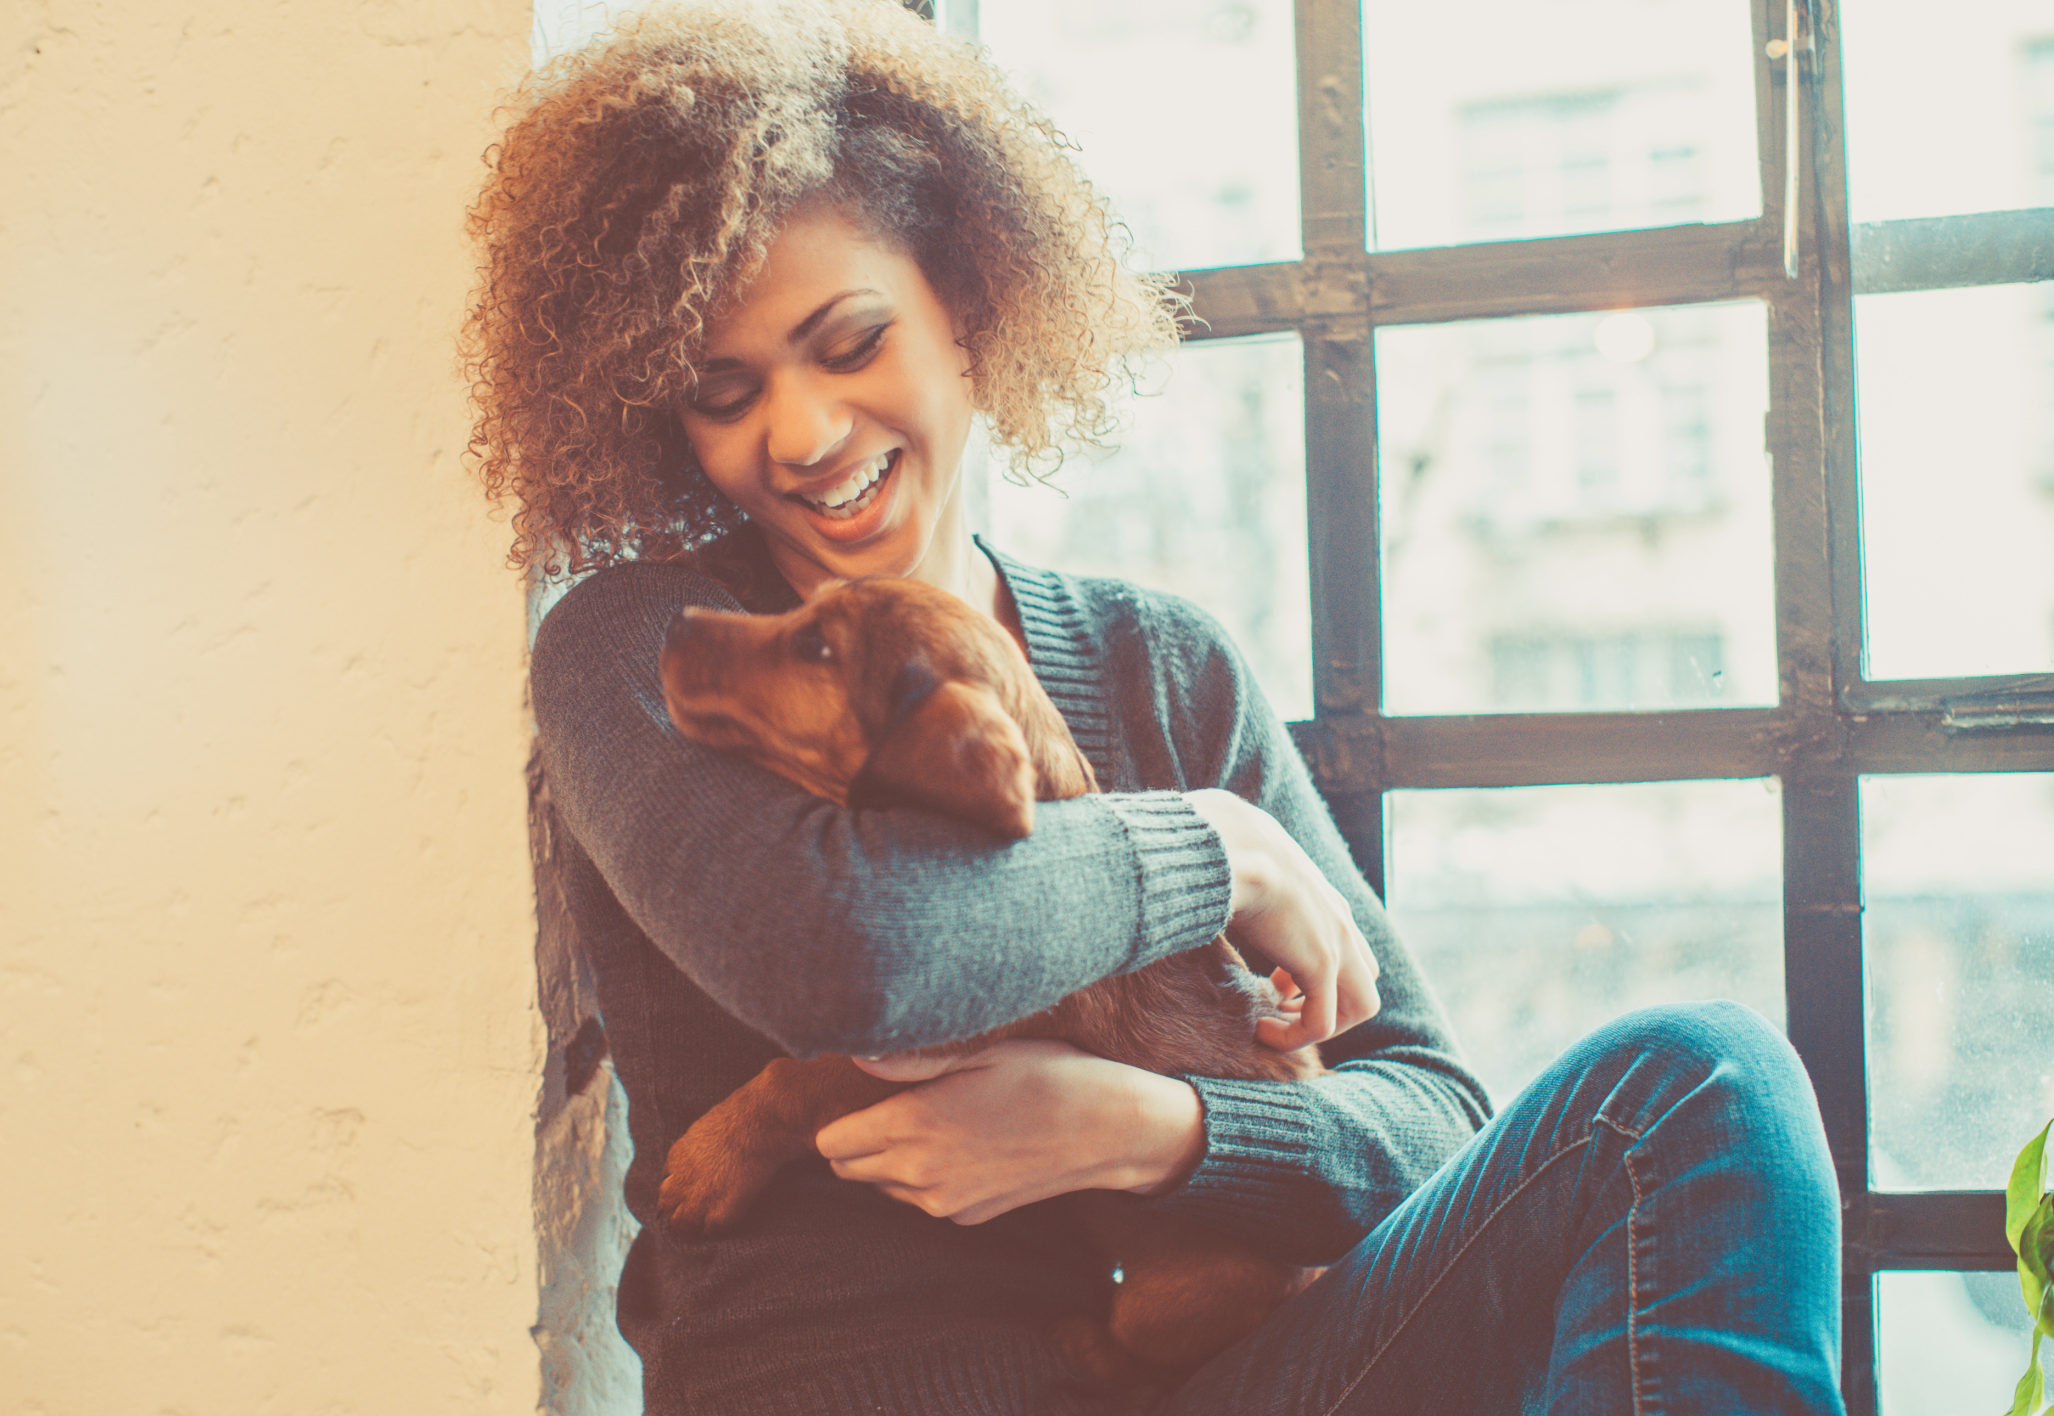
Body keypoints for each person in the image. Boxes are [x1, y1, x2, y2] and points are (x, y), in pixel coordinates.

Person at [462, 2, 1848, 1412]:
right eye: (726, 391)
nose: (804, 433)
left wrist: (1151, 1132)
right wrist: (1217, 848)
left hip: (1231, 1377)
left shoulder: (1160, 667)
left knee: (1696, 1088)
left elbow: (1426, 1118)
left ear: (965, 304)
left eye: (851, 340)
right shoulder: (653, 651)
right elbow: (843, 959)